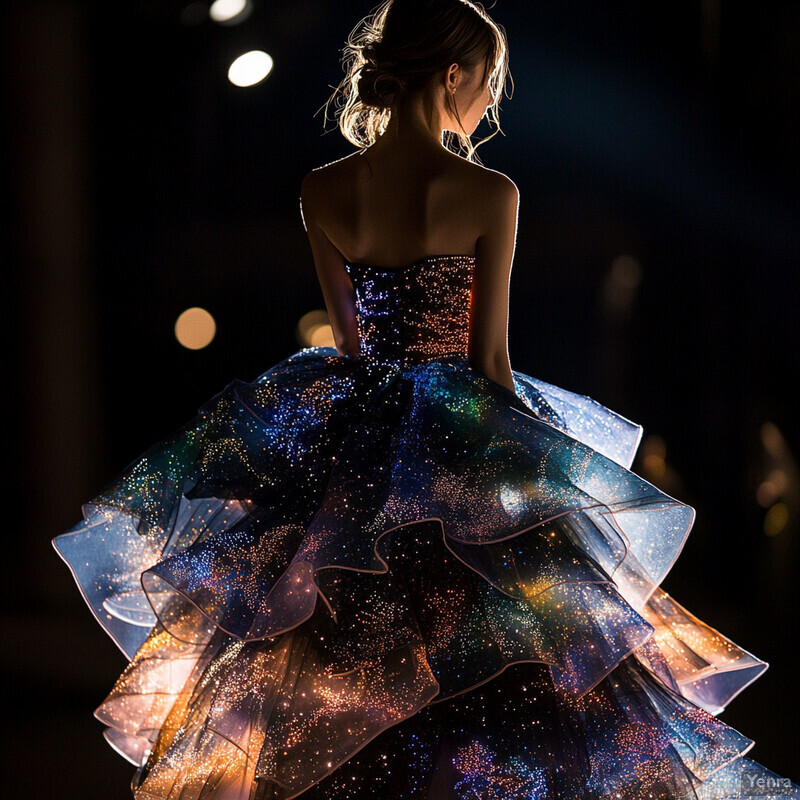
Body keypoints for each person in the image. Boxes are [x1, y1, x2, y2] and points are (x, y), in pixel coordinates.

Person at [53, 1, 798, 798]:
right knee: (511, 663)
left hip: (357, 445)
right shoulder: (490, 193)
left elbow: (350, 342)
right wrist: (527, 474)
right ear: (452, 74)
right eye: (486, 86)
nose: (487, 106)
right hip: (457, 437)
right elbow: (489, 360)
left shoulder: (324, 189)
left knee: (329, 654)